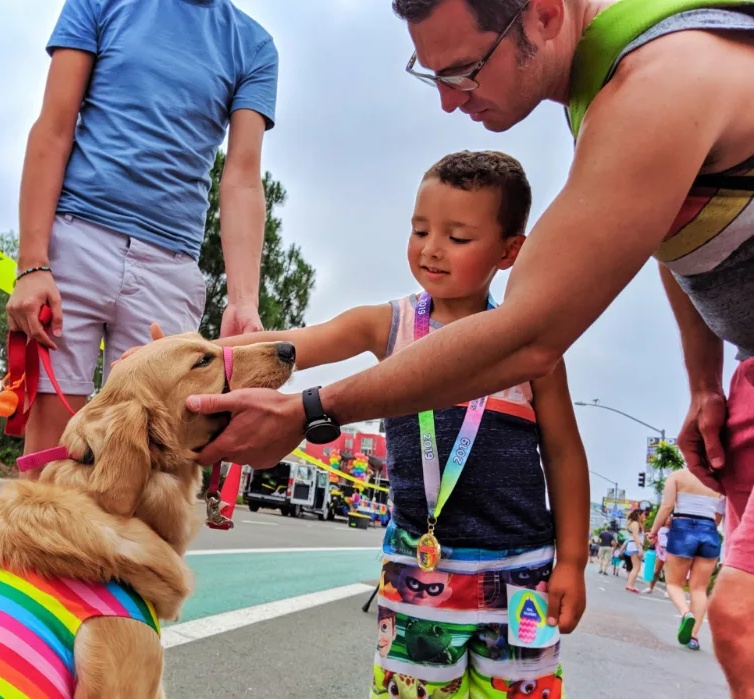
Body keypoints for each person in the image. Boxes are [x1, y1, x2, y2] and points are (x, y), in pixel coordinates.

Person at [182, 2, 754, 692]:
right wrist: (703, 378)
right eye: (432, 78)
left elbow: (531, 351)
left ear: (542, 15)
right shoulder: (609, 87)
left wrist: (309, 410)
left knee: (739, 621)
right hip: (423, 576)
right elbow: (671, 230)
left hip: (516, 572)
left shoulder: (657, 80)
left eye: (463, 71)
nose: (451, 101)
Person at [182, 151, 589, 695]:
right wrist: (188, 354)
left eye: (458, 237)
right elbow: (291, 345)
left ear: (509, 250)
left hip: (521, 578)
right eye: (420, 229)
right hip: (417, 575)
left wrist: (574, 563)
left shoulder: (531, 347)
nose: (431, 248)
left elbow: (563, 454)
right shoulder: (388, 324)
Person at [6, 0, 279, 463]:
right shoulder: (100, 4)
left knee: (153, 457)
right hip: (77, 241)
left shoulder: (253, 46)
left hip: (169, 267)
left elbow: (243, 176)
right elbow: (54, 127)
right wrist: (32, 262)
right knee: (51, 451)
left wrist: (243, 300)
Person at [649, 469, 726, 652]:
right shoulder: (718, 480)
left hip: (683, 529)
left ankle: (686, 614)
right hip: (709, 531)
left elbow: (667, 506)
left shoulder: (677, 476)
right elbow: (719, 514)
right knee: (699, 588)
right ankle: (693, 637)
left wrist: (653, 531)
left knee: (674, 583)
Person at [644, 515, 671, 594]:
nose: (669, 520)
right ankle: (650, 587)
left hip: (669, 553)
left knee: (668, 572)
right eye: (667, 518)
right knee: (656, 571)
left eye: (670, 519)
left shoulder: (674, 530)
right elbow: (652, 541)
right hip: (660, 553)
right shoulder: (659, 530)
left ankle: (668, 591)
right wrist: (647, 537)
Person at [623, 509, 647, 593]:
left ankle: (630, 585)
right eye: (643, 514)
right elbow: (636, 536)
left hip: (633, 545)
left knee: (636, 567)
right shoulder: (635, 523)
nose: (644, 516)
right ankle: (630, 585)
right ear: (638, 515)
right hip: (635, 546)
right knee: (636, 568)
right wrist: (640, 548)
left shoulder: (635, 523)